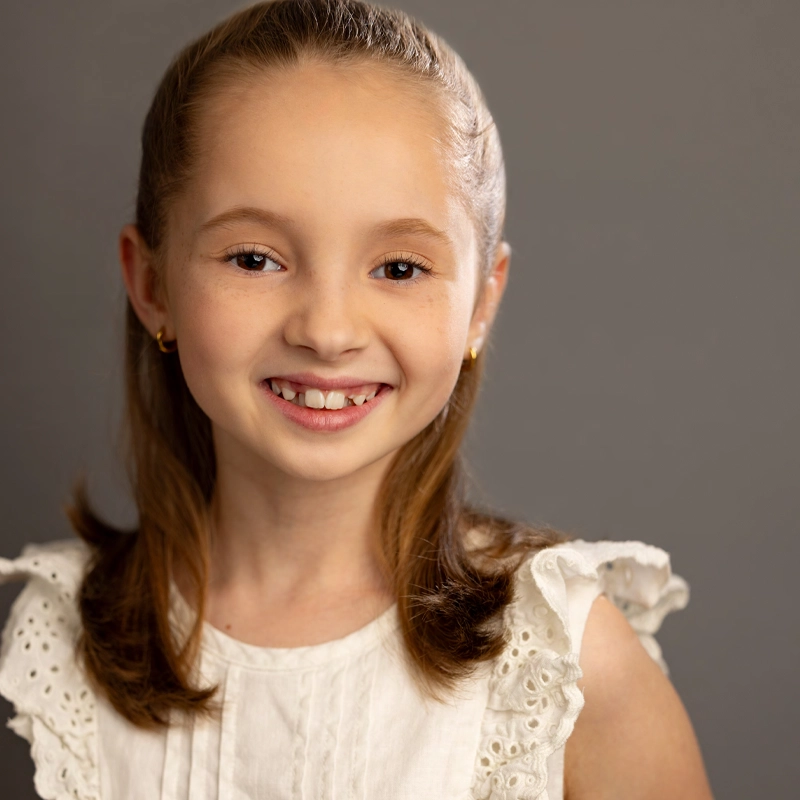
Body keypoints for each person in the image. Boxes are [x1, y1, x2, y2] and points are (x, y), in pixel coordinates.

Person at [0, 1, 714, 798]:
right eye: (254, 258)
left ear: (481, 303)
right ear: (152, 284)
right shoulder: (67, 634)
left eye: (399, 268)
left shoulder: (568, 667)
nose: (328, 331)